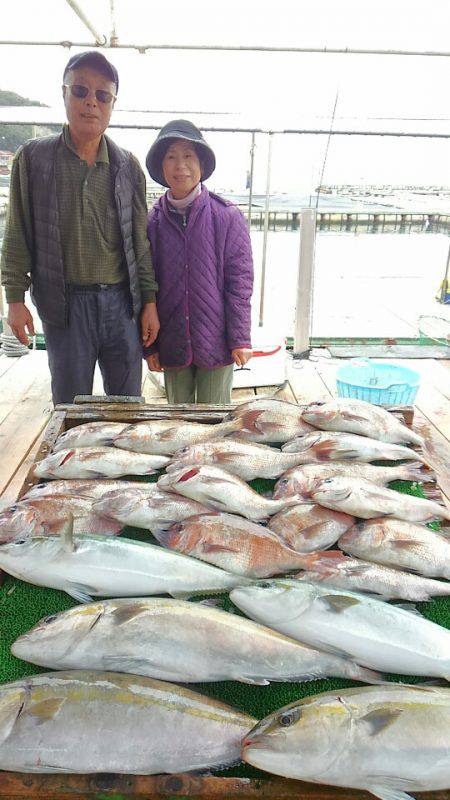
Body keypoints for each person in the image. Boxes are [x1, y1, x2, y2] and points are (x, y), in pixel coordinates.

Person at [0, 51, 159, 404]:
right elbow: (16, 234)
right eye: (81, 91)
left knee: (127, 406)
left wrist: (148, 301)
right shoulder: (34, 159)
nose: (91, 102)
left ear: (112, 104)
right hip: (64, 304)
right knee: (70, 406)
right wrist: (14, 299)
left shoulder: (127, 166)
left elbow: (140, 243)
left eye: (103, 95)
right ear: (64, 94)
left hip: (121, 303)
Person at [145, 120, 253, 404]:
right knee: (178, 422)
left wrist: (240, 338)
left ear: (201, 165)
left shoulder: (227, 216)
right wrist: (150, 347)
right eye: (171, 156)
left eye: (188, 155)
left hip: (217, 342)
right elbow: (145, 286)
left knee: (215, 421)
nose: (181, 165)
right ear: (161, 167)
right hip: (172, 341)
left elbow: (240, 282)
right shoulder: (152, 223)